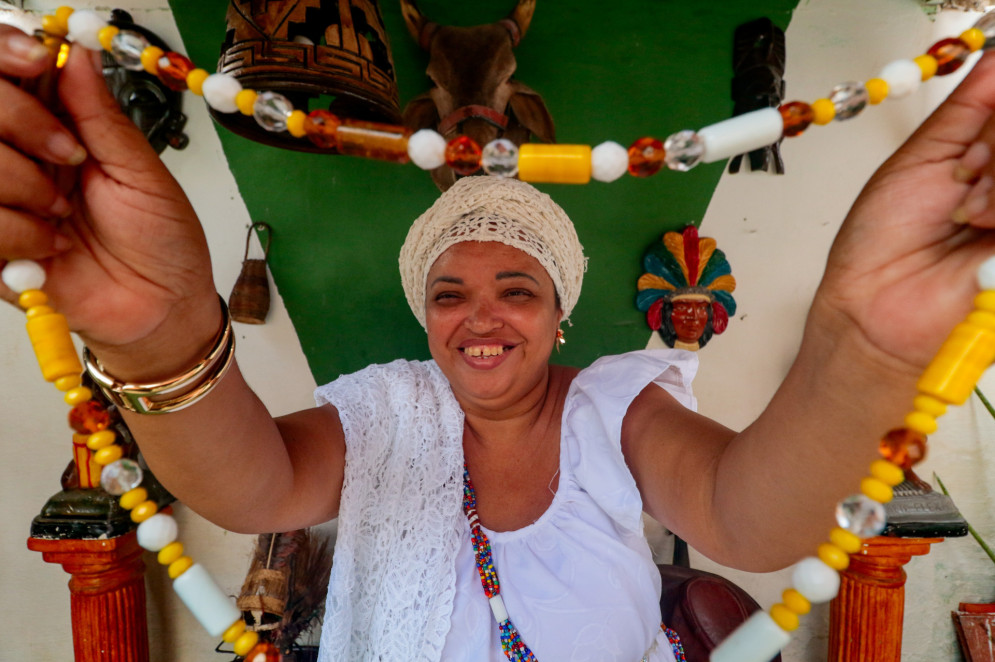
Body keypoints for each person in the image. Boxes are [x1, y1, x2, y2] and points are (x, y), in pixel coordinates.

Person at [3, 19, 995, 662]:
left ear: (560, 313)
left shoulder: (616, 402)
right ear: (423, 313)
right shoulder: (386, 407)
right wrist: (162, 332)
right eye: (449, 292)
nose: (478, 316)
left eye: (514, 288)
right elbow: (250, 485)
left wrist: (860, 340)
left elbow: (750, 519)